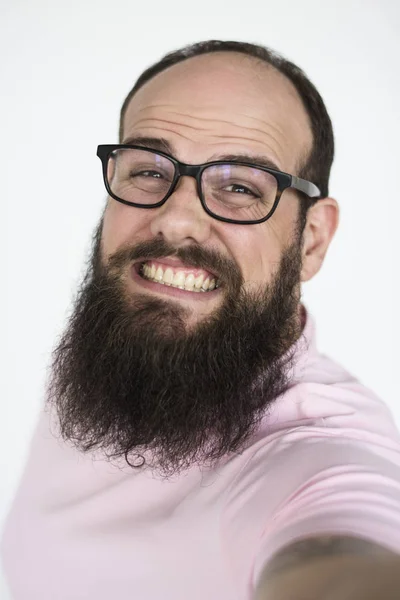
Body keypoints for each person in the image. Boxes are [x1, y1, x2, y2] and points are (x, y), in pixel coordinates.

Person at [2, 40, 400, 600]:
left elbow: (344, 554)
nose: (176, 219)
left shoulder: (320, 455)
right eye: (147, 170)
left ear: (311, 240)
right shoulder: (115, 334)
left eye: (240, 187)